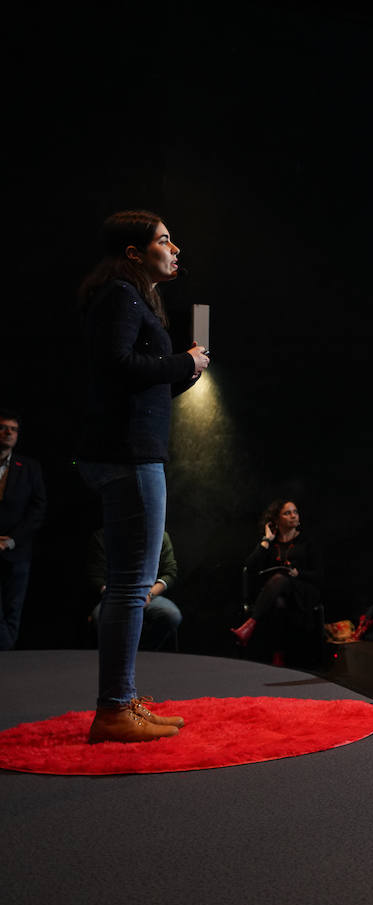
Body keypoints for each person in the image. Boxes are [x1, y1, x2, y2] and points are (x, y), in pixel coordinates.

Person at [77, 210, 208, 742]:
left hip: (130, 450)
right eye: (165, 240)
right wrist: (185, 361)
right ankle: (113, 709)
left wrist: (186, 370)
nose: (175, 249)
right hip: (129, 457)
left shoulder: (128, 297)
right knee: (132, 588)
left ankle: (122, 699)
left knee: (131, 586)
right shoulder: (121, 297)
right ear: (135, 252)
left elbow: (135, 385)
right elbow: (119, 368)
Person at [232, 500, 322, 665]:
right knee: (279, 602)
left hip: (303, 590)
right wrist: (266, 539)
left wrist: (298, 573)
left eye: (295, 512)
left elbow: (319, 574)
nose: (293, 515)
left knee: (281, 579)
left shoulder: (307, 541)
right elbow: (249, 567)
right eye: (287, 513)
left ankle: (250, 625)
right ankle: (279, 655)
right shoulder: (272, 543)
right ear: (276, 520)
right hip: (277, 596)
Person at [89, 530, 182, 651]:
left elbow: (169, 572)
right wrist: (116, 597)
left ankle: (143, 653)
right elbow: (96, 575)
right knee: (99, 617)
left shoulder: (160, 535)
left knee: (171, 615)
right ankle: (117, 657)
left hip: (148, 594)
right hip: (114, 595)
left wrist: (148, 595)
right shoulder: (103, 535)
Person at [0, 408, 46, 651]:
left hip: (17, 551)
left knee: (13, 609)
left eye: (13, 429)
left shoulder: (28, 467)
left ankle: (6, 660)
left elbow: (38, 509)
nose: (8, 433)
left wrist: (12, 540)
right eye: (4, 427)